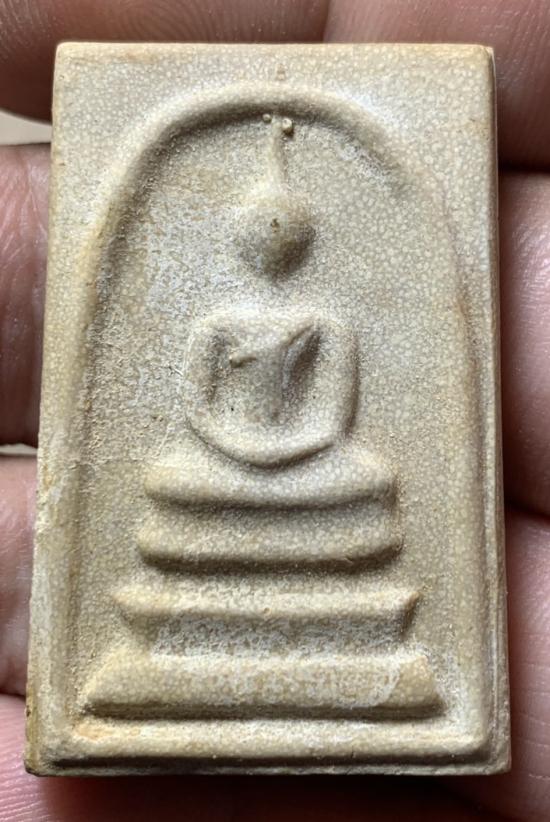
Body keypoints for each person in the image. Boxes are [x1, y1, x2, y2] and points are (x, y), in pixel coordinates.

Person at [0, 2, 549, 820]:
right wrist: (241, 452)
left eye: (281, 230)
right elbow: (198, 408)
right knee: (173, 483)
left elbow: (332, 416)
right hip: (225, 462)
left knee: (364, 481)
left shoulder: (327, 324)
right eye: (259, 229)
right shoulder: (218, 324)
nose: (270, 241)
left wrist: (289, 454)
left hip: (310, 464)